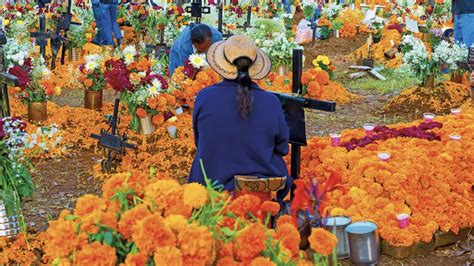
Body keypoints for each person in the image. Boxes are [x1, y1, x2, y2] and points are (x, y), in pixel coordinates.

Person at [188, 35, 292, 202]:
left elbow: (199, 141)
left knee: (203, 157)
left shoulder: (204, 97)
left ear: (222, 65)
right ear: (254, 66)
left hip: (212, 182)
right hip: (257, 185)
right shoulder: (271, 102)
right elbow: (282, 147)